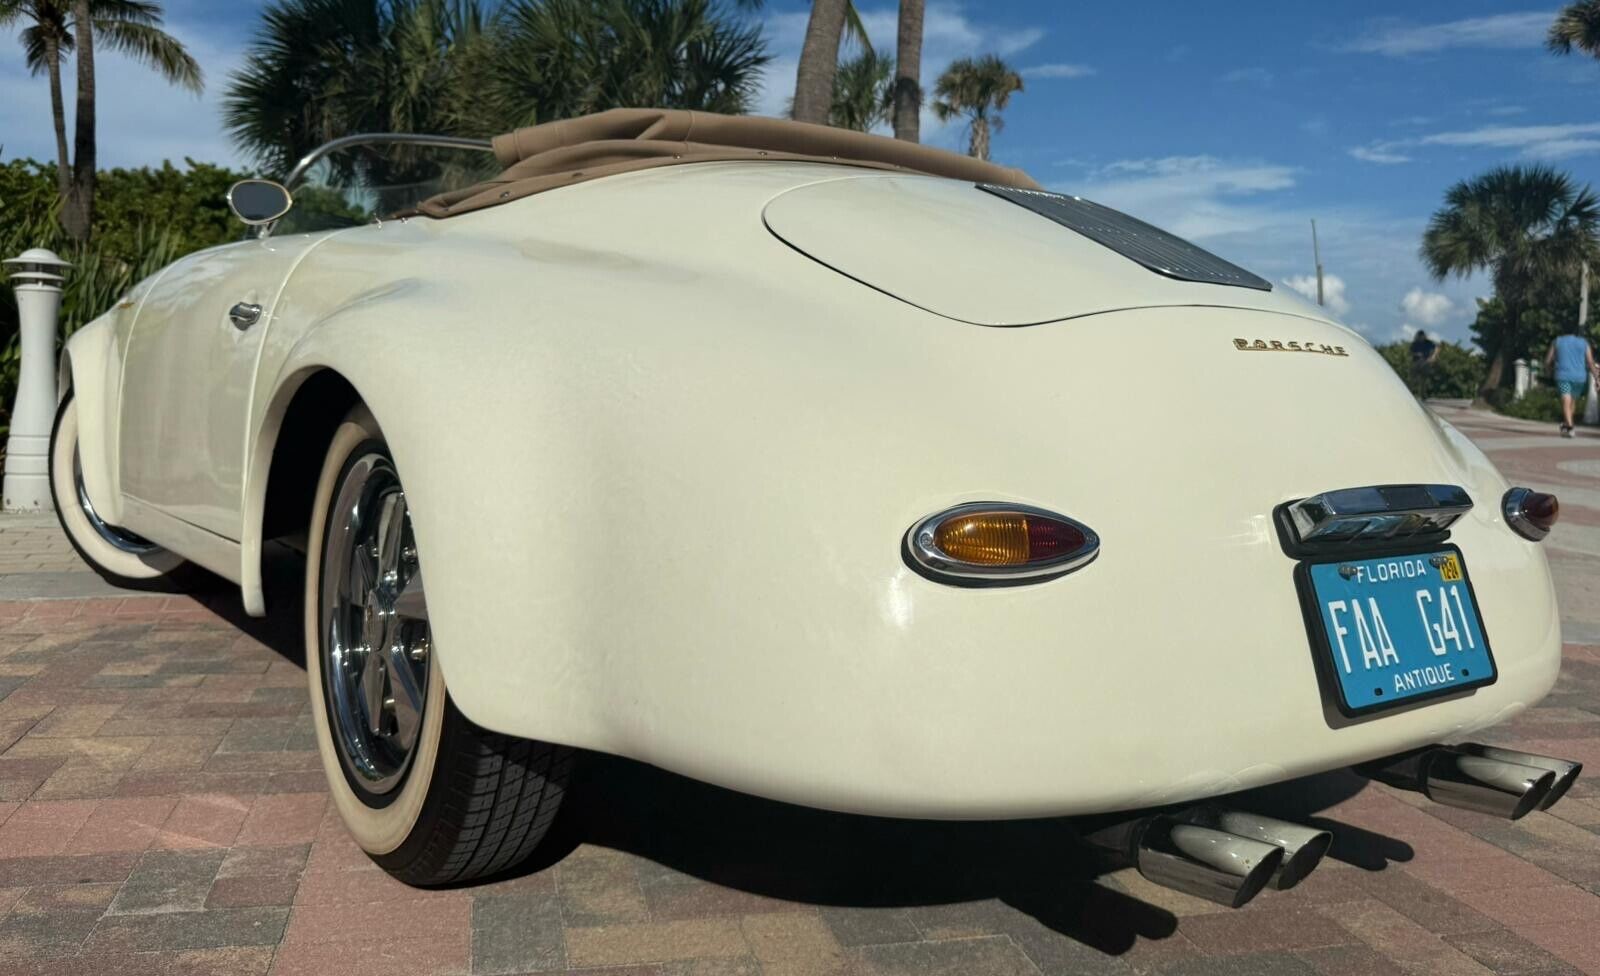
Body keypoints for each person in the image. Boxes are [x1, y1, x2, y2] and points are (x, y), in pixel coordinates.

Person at [1544, 324, 1600, 438]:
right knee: (1571, 402)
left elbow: (1548, 360)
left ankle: (1569, 427)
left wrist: (1548, 370)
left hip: (1563, 376)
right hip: (1579, 378)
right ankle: (1568, 425)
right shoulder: (1584, 343)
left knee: (1566, 400)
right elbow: (1590, 362)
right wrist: (1596, 377)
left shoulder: (1557, 342)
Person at [1408, 330, 1439, 397]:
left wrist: (1433, 356)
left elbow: (1436, 346)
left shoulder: (1428, 342)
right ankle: (1410, 393)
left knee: (1423, 379)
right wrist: (1417, 354)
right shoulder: (1415, 343)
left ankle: (1422, 395)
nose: (1421, 337)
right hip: (1416, 362)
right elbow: (1410, 352)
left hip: (1425, 362)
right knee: (1413, 378)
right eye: (1420, 336)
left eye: (1422, 336)